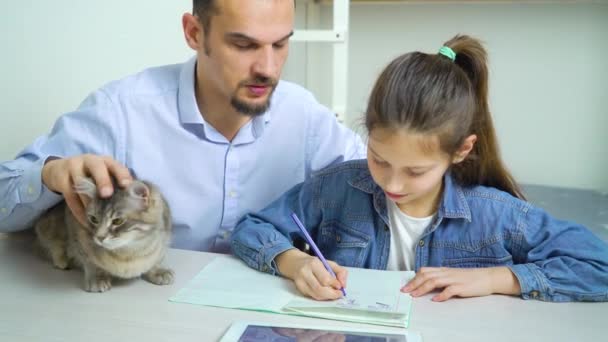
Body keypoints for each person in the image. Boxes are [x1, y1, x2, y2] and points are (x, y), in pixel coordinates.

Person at [230, 35, 608, 302]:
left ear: (461, 151)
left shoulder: (498, 216)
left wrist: (496, 278)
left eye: (415, 171)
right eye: (379, 158)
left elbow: (598, 265)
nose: (392, 182)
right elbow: (252, 227)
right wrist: (293, 262)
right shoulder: (337, 188)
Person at [0, 0, 365, 253]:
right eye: (243, 44)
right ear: (193, 33)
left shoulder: (303, 115)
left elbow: (391, 182)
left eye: (280, 44)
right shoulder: (122, 111)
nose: (268, 69)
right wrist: (50, 175)